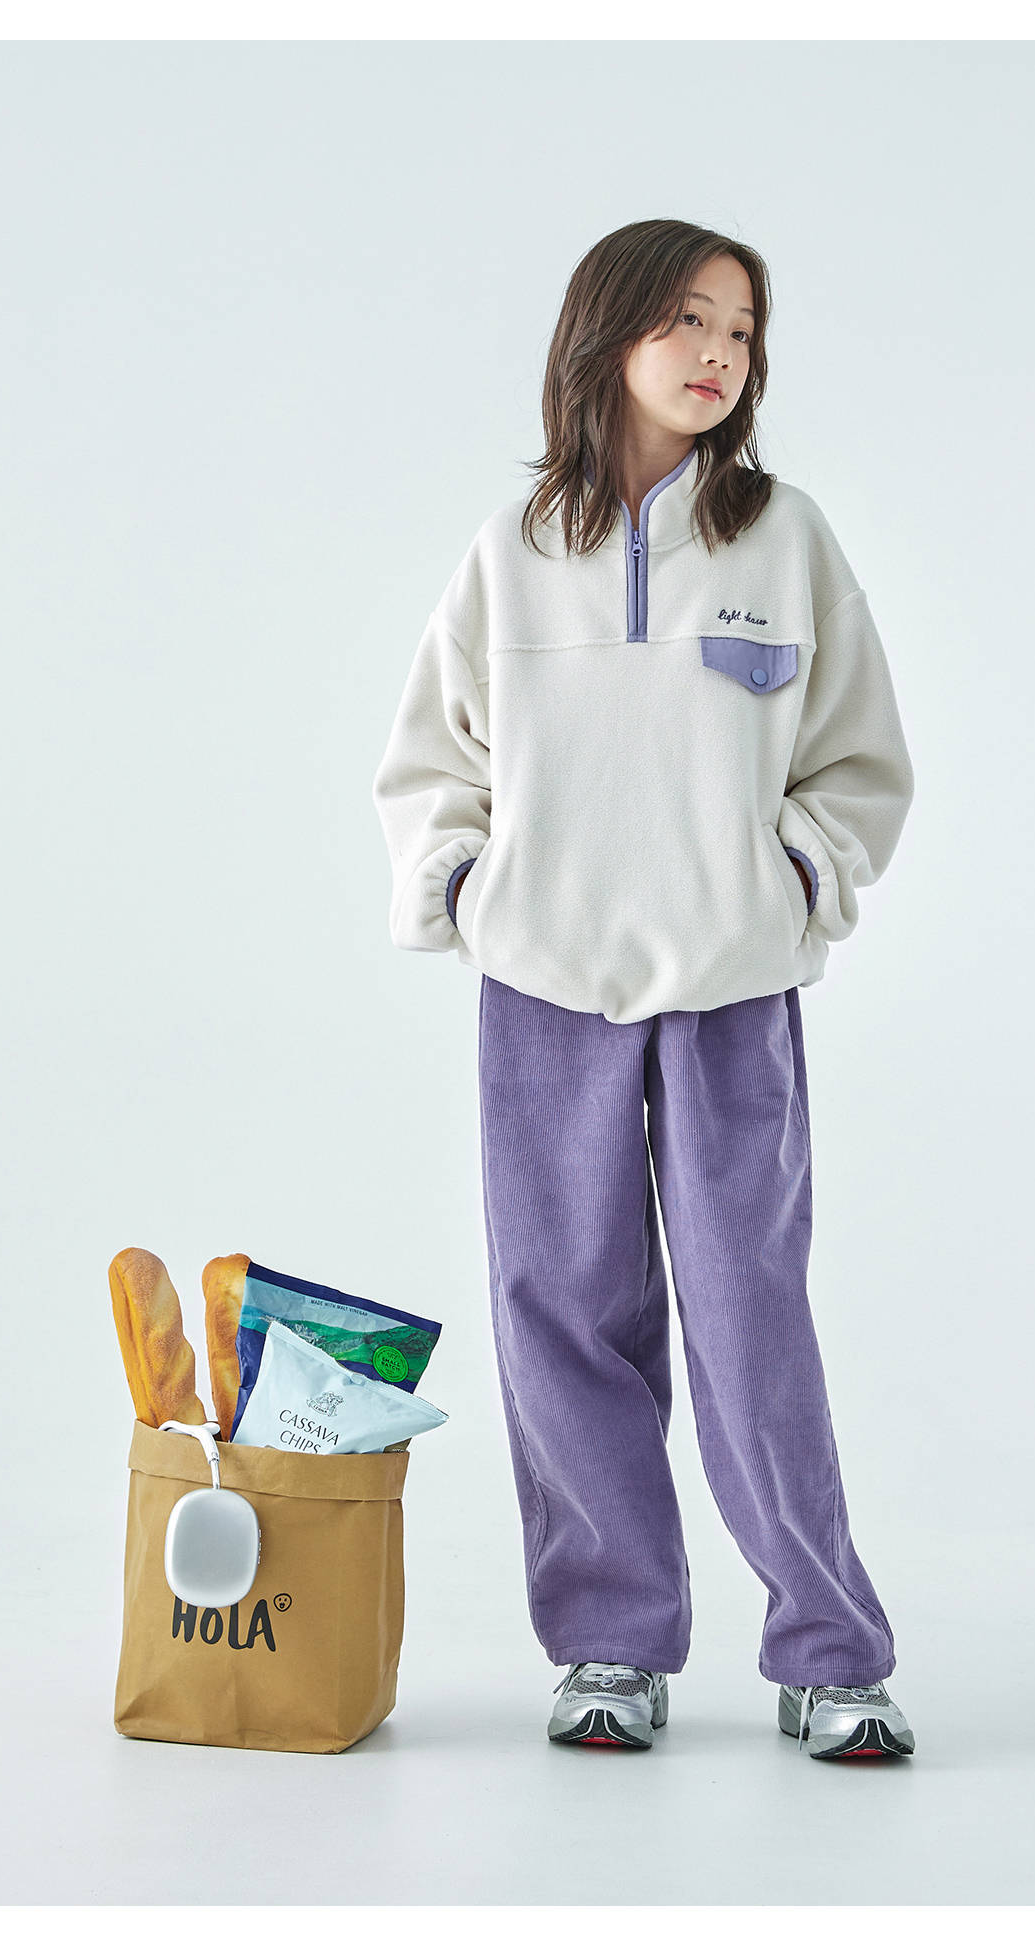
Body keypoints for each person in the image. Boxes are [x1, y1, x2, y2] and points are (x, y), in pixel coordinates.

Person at [371, 219, 917, 1761]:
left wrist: (798, 877)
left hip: (732, 992)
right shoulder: (512, 549)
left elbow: (860, 761)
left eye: (740, 329)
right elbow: (430, 761)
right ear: (606, 334)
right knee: (562, 1312)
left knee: (751, 1313)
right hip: (544, 990)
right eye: (687, 318)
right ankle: (609, 1644)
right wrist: (465, 888)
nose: (718, 352)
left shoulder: (785, 540)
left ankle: (829, 1650)